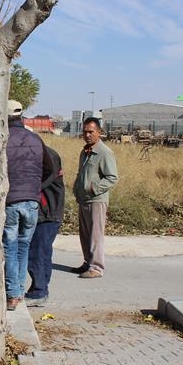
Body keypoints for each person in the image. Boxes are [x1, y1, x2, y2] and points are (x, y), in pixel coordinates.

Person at [3, 99, 44, 310]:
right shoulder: (36, 139)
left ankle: (12, 294)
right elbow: (49, 169)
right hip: (32, 202)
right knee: (23, 246)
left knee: (9, 247)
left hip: (11, 201)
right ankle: (18, 289)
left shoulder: (3, 140)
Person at [71, 117, 118, 278]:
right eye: (85, 132)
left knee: (95, 234)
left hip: (96, 200)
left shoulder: (104, 152)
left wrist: (93, 188)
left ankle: (96, 267)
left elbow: (112, 177)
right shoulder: (85, 152)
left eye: (91, 132)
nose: (87, 135)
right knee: (85, 233)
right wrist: (78, 188)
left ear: (99, 132)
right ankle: (87, 262)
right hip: (84, 199)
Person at [25, 144, 64, 306]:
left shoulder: (48, 159)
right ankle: (41, 289)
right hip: (48, 212)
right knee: (43, 252)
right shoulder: (46, 156)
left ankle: (39, 291)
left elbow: (42, 182)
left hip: (47, 213)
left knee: (37, 252)